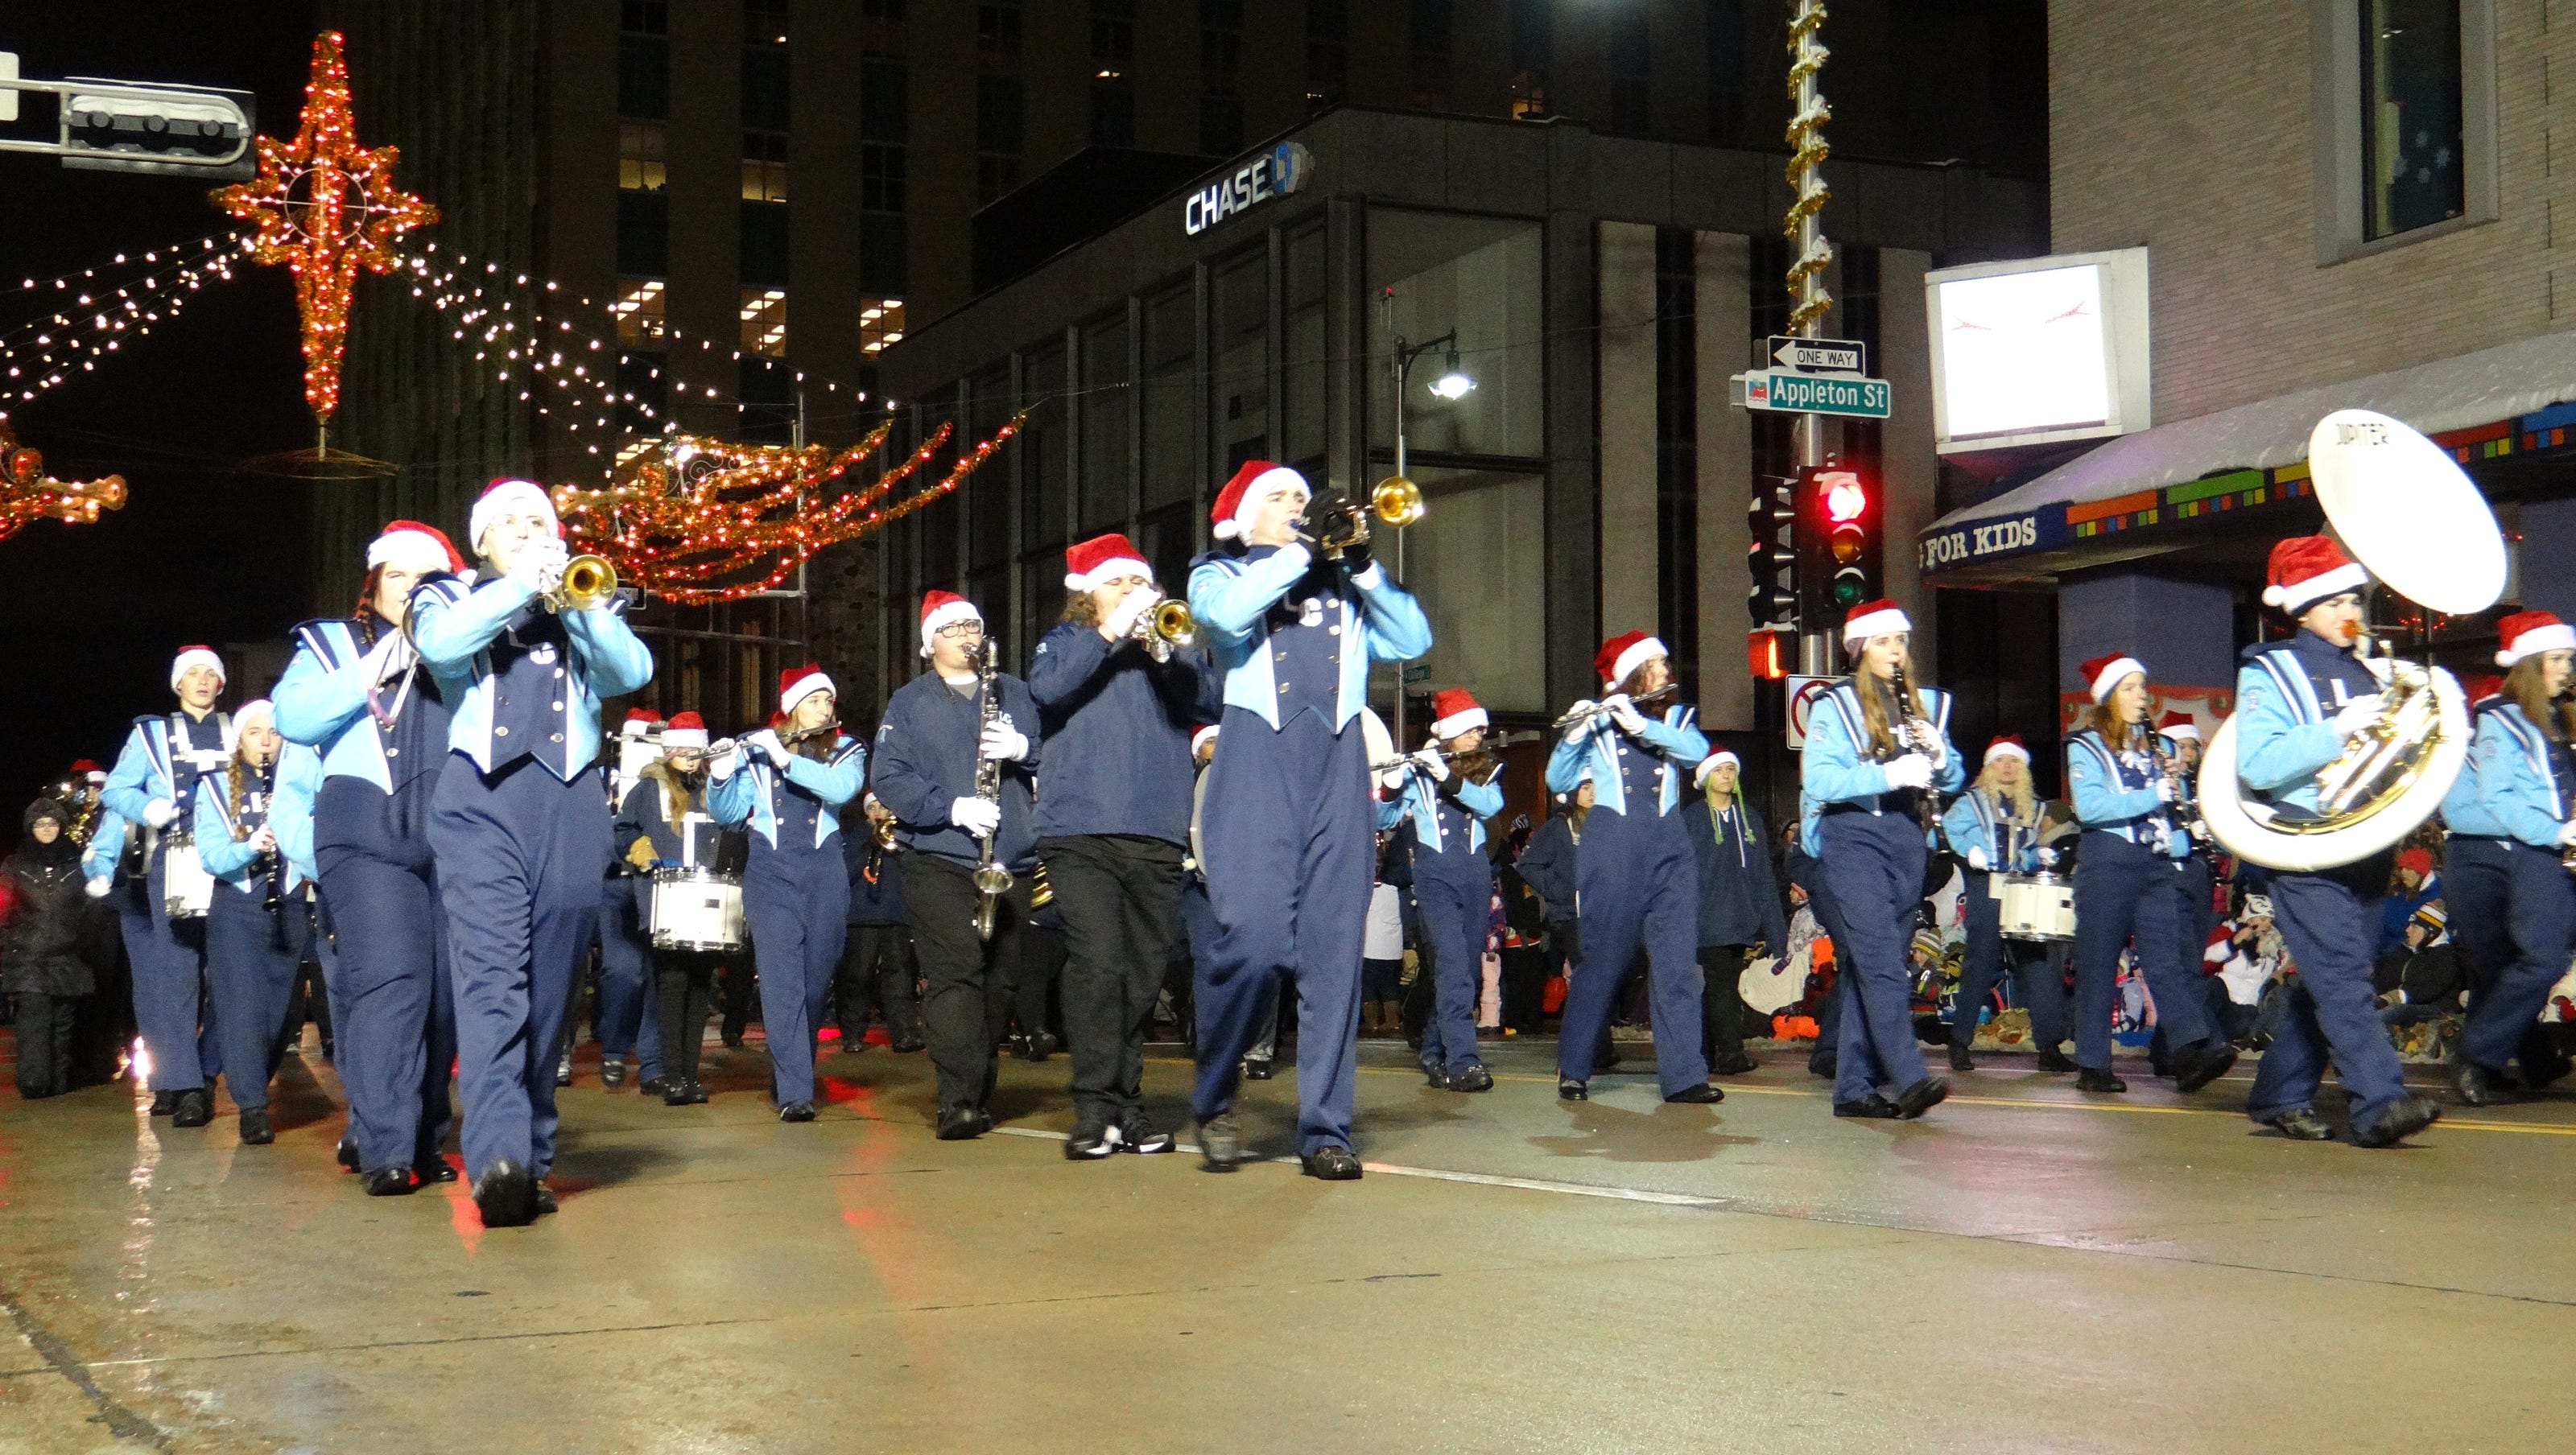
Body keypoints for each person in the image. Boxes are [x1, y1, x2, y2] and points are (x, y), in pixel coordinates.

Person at [411, 478, 654, 1226]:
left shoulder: (584, 600)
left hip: (572, 802)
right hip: (480, 798)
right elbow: (443, 647)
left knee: (551, 990)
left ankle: (533, 1155)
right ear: (480, 539)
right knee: (492, 984)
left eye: (539, 520)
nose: (525, 528)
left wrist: (578, 604)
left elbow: (630, 674)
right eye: (508, 522)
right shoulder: (444, 594)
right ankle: (498, 1161)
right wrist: (519, 583)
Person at [1185, 460, 1432, 1178]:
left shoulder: (1341, 581)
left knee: (1332, 956)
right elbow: (1226, 620)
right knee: (1256, 945)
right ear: (1246, 516)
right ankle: (1215, 1093)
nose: (1300, 505)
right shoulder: (1218, 572)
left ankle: (1326, 1127)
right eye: (1283, 498)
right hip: (1255, 762)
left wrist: (1363, 566)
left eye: (1305, 497)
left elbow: (1412, 641)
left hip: (1338, 765)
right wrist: (1302, 552)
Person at [2229, 537, 2442, 1144]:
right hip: (2308, 845)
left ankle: (2278, 1093)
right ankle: (2379, 1104)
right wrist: (2335, 730)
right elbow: (2260, 763)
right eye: (2334, 602)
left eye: (2354, 597)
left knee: (2335, 978)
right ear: (2301, 609)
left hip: (2368, 845)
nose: (2350, 611)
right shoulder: (2268, 669)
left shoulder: (2366, 668)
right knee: (2344, 977)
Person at [274, 519, 466, 1195]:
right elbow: (293, 718)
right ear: (374, 584)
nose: (411, 588)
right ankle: (385, 1143)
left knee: (445, 1000)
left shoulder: (462, 650)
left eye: (426, 577)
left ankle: (423, 1135)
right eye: (398, 575)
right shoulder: (329, 645)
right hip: (362, 828)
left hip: (450, 832)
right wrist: (379, 662)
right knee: (393, 984)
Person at [1022, 533, 1220, 1154]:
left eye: (1140, 583)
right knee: (1099, 965)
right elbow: (1048, 690)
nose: (1135, 593)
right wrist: (1110, 635)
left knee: (1141, 974)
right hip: (1079, 830)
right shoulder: (1065, 641)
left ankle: (1124, 1104)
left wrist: (1166, 650)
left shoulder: (1165, 645)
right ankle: (1092, 1108)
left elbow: (1210, 699)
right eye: (1119, 582)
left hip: (1156, 829)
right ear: (1088, 594)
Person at [869, 591, 1042, 1140]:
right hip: (939, 854)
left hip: (1008, 855)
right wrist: (949, 808)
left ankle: (979, 1083)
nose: (968, 633)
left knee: (1000, 980)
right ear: (930, 644)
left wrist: (1024, 749)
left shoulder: (1015, 691)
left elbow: (1062, 752)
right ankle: (958, 1099)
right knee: (954, 973)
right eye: (954, 627)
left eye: (975, 623)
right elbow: (888, 777)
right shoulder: (910, 702)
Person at [1798, 599, 1963, 1120]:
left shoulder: (1926, 705)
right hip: (1852, 833)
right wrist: (1887, 775)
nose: (1896, 650)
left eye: (1901, 641)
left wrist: (1941, 757)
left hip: (1905, 836)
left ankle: (1851, 1087)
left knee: (1876, 968)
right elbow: (1819, 780)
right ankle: (1909, 1076)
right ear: (1860, 648)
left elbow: (1955, 780)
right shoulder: (1834, 705)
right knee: (1878, 963)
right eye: (1884, 641)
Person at [1546, 631, 1720, 1103]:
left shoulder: (1678, 718)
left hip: (1670, 844)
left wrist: (1642, 726)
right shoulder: (1598, 722)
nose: (1667, 671)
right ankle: (1575, 1065)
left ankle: (1685, 1075)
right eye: (1658, 664)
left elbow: (1695, 753)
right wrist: (1573, 736)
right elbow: (1558, 781)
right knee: (1604, 959)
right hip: (1612, 842)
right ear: (1632, 674)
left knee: (1678, 964)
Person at [2062, 653, 2238, 1095]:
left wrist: (2180, 805)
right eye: (2132, 688)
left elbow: (2167, 805)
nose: (2144, 695)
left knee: (2169, 961)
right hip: (2107, 864)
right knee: (2099, 965)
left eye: (2143, 686)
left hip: (2155, 865)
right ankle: (2093, 1062)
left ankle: (2190, 1049)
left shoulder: (2155, 744)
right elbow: (2090, 808)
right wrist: (2152, 792)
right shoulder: (2085, 745)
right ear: (2109, 697)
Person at [707, 666, 865, 1120]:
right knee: (781, 984)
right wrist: (720, 777)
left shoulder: (845, 748)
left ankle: (790, 1071)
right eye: (814, 700)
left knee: (814, 985)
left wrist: (785, 758)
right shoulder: (755, 750)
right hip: (769, 872)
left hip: (824, 871)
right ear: (793, 705)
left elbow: (842, 788)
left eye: (828, 701)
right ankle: (797, 1093)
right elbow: (731, 815)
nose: (824, 708)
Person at [100, 645, 233, 1127]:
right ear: (177, 685)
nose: (201, 680)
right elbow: (116, 790)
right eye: (191, 674)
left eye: (210, 674)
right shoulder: (152, 734)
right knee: (176, 976)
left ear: (221, 684)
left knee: (231, 979)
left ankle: (204, 1070)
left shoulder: (239, 731)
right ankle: (183, 1082)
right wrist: (147, 810)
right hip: (171, 861)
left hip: (232, 865)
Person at [2446, 612, 2576, 1107]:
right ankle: (2481, 1056)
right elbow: (2494, 799)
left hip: (2537, 849)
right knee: (2524, 960)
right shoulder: (2501, 719)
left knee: (2510, 964)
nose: (2567, 668)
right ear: (2529, 663)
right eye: (2558, 658)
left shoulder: (2549, 716)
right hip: (2508, 851)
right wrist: (2557, 830)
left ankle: (2516, 1059)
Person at [192, 701, 320, 1147]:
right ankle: (251, 1107)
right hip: (237, 908)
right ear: (239, 740)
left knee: (280, 1016)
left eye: (274, 732)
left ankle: (231, 1082)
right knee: (242, 1008)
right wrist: (250, 845)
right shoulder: (213, 787)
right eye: (254, 732)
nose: (266, 741)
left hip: (287, 904)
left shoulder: (301, 784)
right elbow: (210, 855)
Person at [1376, 688, 1506, 1094]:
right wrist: (1391, 787)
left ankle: (1433, 1050)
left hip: (1474, 871)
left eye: (1479, 729)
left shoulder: (1483, 767)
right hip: (1433, 875)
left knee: (1462, 971)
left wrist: (1447, 776)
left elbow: (1490, 806)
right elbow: (1382, 818)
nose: (1477, 736)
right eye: (1469, 729)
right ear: (1449, 731)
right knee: (1451, 964)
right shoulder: (1417, 771)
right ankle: (1464, 1061)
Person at [614, 711, 737, 1106]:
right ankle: (671, 1076)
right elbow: (624, 829)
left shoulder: (712, 788)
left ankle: (689, 1075)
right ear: (668, 751)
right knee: (671, 985)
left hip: (704, 902)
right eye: (682, 748)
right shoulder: (648, 790)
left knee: (701, 986)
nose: (689, 755)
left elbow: (731, 827)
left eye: (696, 749)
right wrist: (640, 849)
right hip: (665, 900)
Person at [1938, 736, 2070, 1072]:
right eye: (2001, 761)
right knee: (1979, 965)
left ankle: (2049, 1047)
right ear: (1989, 766)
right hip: (1986, 888)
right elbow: (1952, 827)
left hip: (2021, 891)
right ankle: (1960, 1041)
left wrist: (2036, 855)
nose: (2008, 767)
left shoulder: (2035, 806)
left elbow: (2028, 847)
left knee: (2039, 967)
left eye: (2014, 761)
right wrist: (1971, 850)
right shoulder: (1972, 801)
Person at [1682, 750, 1787, 1078]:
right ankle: (1729, 1052)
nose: (1727, 775)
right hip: (1704, 918)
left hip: (1740, 918)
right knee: (1720, 984)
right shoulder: (1693, 819)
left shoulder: (1750, 820)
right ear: (1705, 778)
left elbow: (1763, 878)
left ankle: (1707, 1053)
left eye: (1731, 769)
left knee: (1717, 986)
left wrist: (1777, 934)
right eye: (1720, 770)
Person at [592, 708, 664, 1091]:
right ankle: (617, 1048)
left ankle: (652, 1062)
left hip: (657, 883)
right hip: (617, 883)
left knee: (657, 974)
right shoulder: (606, 777)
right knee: (624, 971)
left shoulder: (666, 781)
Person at [6, 798, 97, 1099]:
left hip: (69, 955)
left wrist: (84, 941)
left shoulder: (79, 863)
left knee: (62, 1023)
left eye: (52, 823)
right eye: (40, 824)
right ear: (30, 828)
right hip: (28, 956)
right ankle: (33, 1082)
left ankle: (58, 1084)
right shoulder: (15, 864)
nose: (46, 829)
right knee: (34, 1019)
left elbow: (92, 905)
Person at [834, 793, 923, 1055]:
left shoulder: (902, 836)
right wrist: (866, 844)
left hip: (896, 915)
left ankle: (904, 1033)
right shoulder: (853, 837)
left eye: (883, 807)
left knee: (900, 977)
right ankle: (852, 1035)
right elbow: (845, 875)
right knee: (858, 977)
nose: (878, 813)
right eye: (872, 808)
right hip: (861, 917)